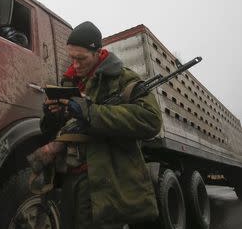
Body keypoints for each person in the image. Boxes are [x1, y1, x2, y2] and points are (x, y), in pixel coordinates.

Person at [40, 21, 162, 228]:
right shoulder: (69, 83)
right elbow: (53, 131)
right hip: (70, 182)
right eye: (72, 58)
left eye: (81, 58)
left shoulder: (122, 78)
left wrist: (91, 113)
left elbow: (151, 120)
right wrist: (53, 116)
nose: (75, 64)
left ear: (97, 52)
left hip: (107, 184)